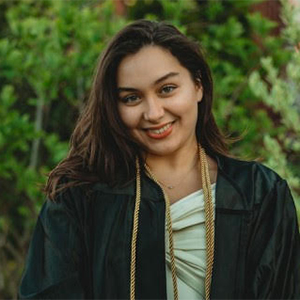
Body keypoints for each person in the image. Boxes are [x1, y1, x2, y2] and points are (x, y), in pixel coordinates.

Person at [18, 20, 300, 299]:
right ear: (114, 107)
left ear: (198, 86)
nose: (153, 113)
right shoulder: (80, 198)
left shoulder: (259, 194)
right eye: (131, 98)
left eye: (167, 89)